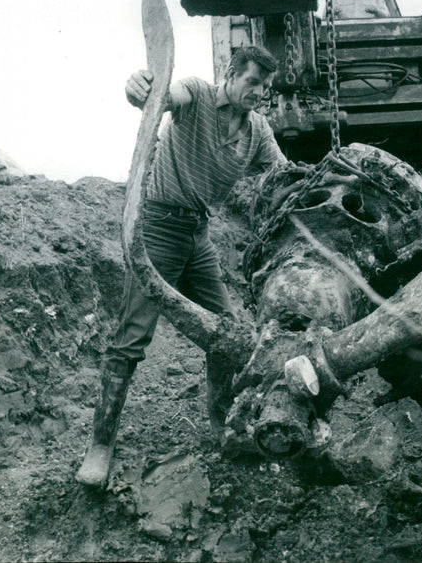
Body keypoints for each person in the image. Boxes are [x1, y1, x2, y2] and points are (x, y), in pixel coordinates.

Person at [76, 45, 288, 487]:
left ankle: (219, 427)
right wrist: (141, 88)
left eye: (265, 88)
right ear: (230, 74)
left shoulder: (258, 131)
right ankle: (100, 445)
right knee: (132, 337)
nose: (258, 93)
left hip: (198, 235)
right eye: (252, 82)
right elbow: (162, 98)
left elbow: (285, 177)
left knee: (226, 331)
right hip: (155, 227)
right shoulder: (197, 93)